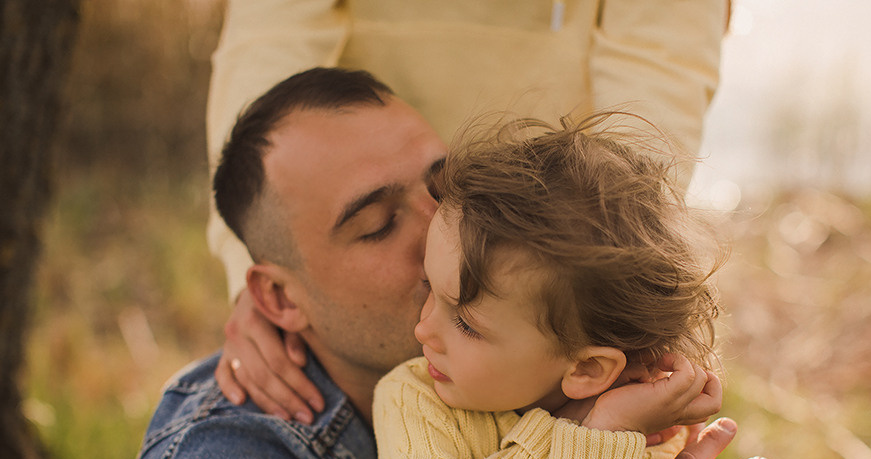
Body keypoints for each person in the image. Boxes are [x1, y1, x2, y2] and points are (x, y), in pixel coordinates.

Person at [62, 68, 831, 459]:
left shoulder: (551, 367)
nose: (450, 230)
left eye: (443, 183)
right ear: (276, 298)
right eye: (376, 223)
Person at [206, 0, 733, 425]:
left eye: (439, 190)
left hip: (564, 247)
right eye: (379, 224)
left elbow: (661, 64)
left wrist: (606, 273)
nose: (437, 228)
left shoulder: (592, 367)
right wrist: (267, 257)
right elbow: (267, 43)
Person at [372, 113, 740, 459]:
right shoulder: (417, 395)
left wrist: (600, 438)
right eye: (431, 289)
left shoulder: (637, 442)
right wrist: (566, 430)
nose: (424, 329)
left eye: (466, 322)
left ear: (588, 370)